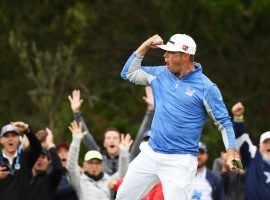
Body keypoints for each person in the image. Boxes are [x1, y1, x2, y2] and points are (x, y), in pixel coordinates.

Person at [117, 34, 237, 200]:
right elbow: (128, 73)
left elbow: (224, 123)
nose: (165, 56)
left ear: (185, 55)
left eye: (170, 53)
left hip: (180, 161)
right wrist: (145, 45)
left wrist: (232, 155)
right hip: (150, 153)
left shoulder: (206, 87)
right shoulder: (160, 74)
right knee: (123, 196)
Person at [68, 87, 153, 173]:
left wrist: (150, 111)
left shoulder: (129, 157)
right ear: (104, 143)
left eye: (115, 138)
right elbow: (86, 136)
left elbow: (141, 135)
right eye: (108, 138)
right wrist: (76, 113)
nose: (111, 140)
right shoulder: (99, 158)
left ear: (120, 142)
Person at [67, 121, 131, 200]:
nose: (94, 166)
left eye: (97, 163)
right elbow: (71, 166)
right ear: (85, 165)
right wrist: (76, 141)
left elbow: (123, 175)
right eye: (90, 163)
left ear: (102, 165)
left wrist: (124, 153)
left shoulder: (108, 180)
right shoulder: (79, 181)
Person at [232, 102, 270, 199]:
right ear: (260, 146)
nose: (269, 145)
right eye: (266, 142)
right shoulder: (254, 157)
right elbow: (242, 138)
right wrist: (238, 117)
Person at [0, 121, 42, 200]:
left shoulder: (25, 157)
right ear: (1, 140)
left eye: (13, 135)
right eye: (7, 136)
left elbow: (37, 148)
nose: (10, 139)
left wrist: (27, 130)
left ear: (19, 139)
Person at [23, 127, 63, 200]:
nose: (39, 160)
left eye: (42, 157)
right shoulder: (24, 177)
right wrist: (25, 148)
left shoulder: (50, 180)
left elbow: (58, 169)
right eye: (37, 157)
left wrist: (50, 145)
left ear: (48, 161)